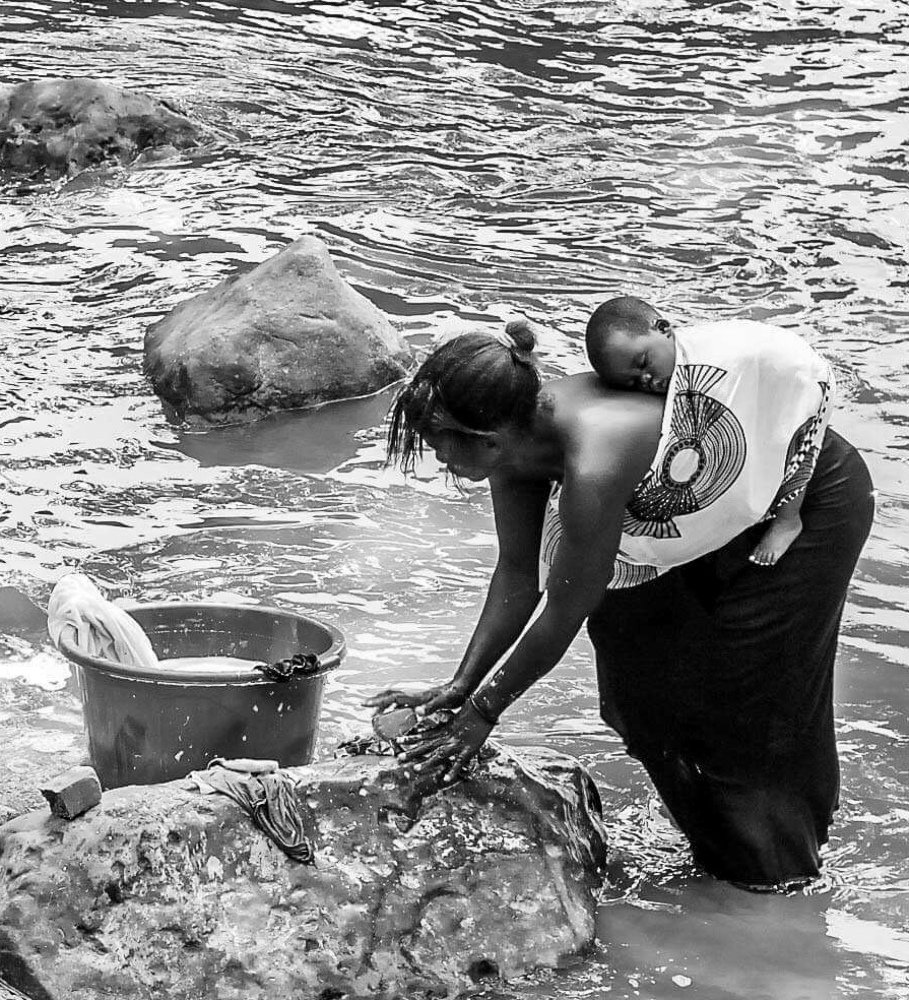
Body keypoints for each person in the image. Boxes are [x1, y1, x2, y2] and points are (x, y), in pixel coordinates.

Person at [365, 320, 874, 890]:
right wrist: (461, 686)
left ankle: (777, 880)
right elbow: (518, 575)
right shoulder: (514, 449)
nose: (439, 461)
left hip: (788, 498)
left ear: (489, 437)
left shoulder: (595, 455)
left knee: (751, 709)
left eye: (440, 446)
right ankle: (716, 853)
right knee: (639, 693)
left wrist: (483, 714)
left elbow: (566, 607)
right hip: (675, 519)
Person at [585, 296, 828, 567]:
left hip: (793, 370)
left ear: (664, 329)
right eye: (632, 382)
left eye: (643, 363)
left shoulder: (706, 365)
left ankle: (788, 521)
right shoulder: (671, 369)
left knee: (791, 446)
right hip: (761, 360)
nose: (646, 380)